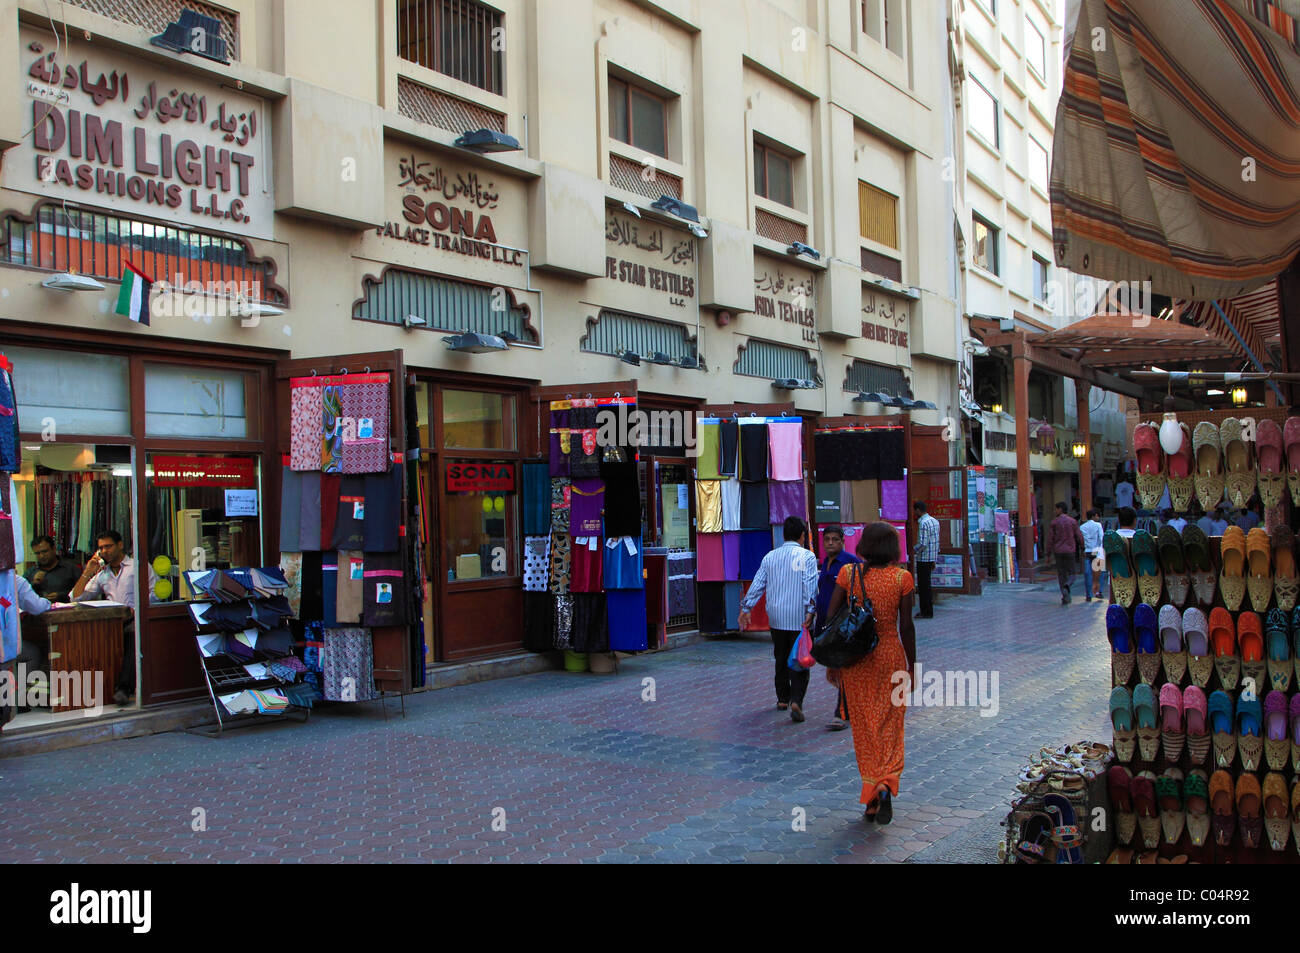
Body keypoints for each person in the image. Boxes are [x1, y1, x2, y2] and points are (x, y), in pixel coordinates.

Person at [823, 522, 916, 824]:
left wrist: (833, 661)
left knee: (865, 728)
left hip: (856, 660)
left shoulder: (848, 575)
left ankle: (871, 797)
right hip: (891, 657)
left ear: (864, 546)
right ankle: (887, 782)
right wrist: (912, 665)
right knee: (891, 725)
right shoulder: (903, 578)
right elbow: (906, 626)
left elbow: (832, 617)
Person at [739, 517, 819, 724]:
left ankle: (782, 698)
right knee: (800, 658)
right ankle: (796, 701)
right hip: (799, 617)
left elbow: (758, 584)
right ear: (802, 536)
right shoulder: (807, 557)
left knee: (781, 656)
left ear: (784, 535)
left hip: (776, 617)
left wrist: (746, 607)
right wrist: (811, 610)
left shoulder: (770, 557)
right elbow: (809, 585)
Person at [71, 530, 157, 706]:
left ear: (120, 545)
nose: (104, 551)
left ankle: (123, 689)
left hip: (135, 619)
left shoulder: (138, 566)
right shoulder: (102, 574)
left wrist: (136, 609)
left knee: (133, 635)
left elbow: (154, 592)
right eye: (101, 548)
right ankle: (92, 692)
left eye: (108, 546)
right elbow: (76, 598)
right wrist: (88, 572)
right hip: (111, 622)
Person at [815, 526, 861, 732]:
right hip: (827, 624)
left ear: (842, 541)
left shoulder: (851, 562)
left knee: (843, 668)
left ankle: (840, 712)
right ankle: (847, 708)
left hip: (843, 625)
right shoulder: (825, 562)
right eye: (827, 540)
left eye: (835, 539)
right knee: (837, 668)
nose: (830, 543)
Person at [1047, 501, 1086, 604]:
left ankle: (1065, 594)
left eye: (1056, 509)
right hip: (1070, 550)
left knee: (1061, 574)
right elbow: (1079, 536)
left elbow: (1050, 539)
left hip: (1058, 551)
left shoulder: (1054, 522)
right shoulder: (1073, 522)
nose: (1055, 511)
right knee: (1072, 573)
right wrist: (1083, 548)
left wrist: (1048, 553)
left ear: (1060, 509)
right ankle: (1068, 585)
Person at [23, 535, 80, 602]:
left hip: (66, 610)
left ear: (54, 549)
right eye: (37, 553)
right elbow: (22, 596)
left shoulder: (70, 569)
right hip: (39, 611)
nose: (42, 556)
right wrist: (34, 584)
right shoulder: (30, 572)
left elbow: (81, 593)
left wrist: (62, 596)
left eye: (45, 551)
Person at [912, 500, 939, 619]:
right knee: (927, 585)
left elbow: (923, 543)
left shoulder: (923, 523)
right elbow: (935, 541)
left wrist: (913, 550)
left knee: (923, 586)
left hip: (923, 558)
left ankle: (925, 611)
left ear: (918, 510)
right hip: (932, 557)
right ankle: (928, 610)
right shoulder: (934, 521)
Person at [1079, 508, 1106, 602]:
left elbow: (1081, 541)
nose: (1098, 517)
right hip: (1096, 551)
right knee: (1100, 572)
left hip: (1087, 551)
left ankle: (1088, 594)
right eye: (1097, 515)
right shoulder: (1098, 525)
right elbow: (1101, 538)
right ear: (1094, 516)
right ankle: (1099, 591)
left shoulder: (1082, 527)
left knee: (1088, 574)